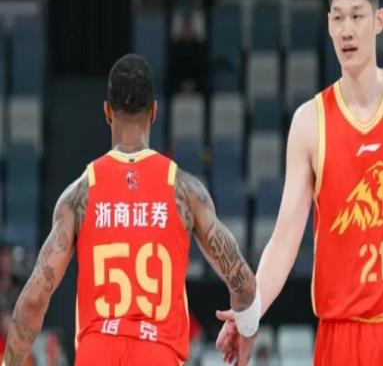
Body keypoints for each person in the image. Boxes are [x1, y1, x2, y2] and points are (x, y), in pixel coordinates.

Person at [216, 0, 383, 365]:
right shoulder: (309, 121)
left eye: (357, 16)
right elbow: (284, 238)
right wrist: (248, 315)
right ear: (328, 25)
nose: (347, 29)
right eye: (338, 17)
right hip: (339, 334)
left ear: (379, 21)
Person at [3, 54, 260, 366]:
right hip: (157, 351)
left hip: (97, 351)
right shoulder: (185, 191)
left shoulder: (79, 195)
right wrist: (245, 327)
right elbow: (244, 285)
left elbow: (34, 299)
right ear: (154, 111)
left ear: (107, 111)